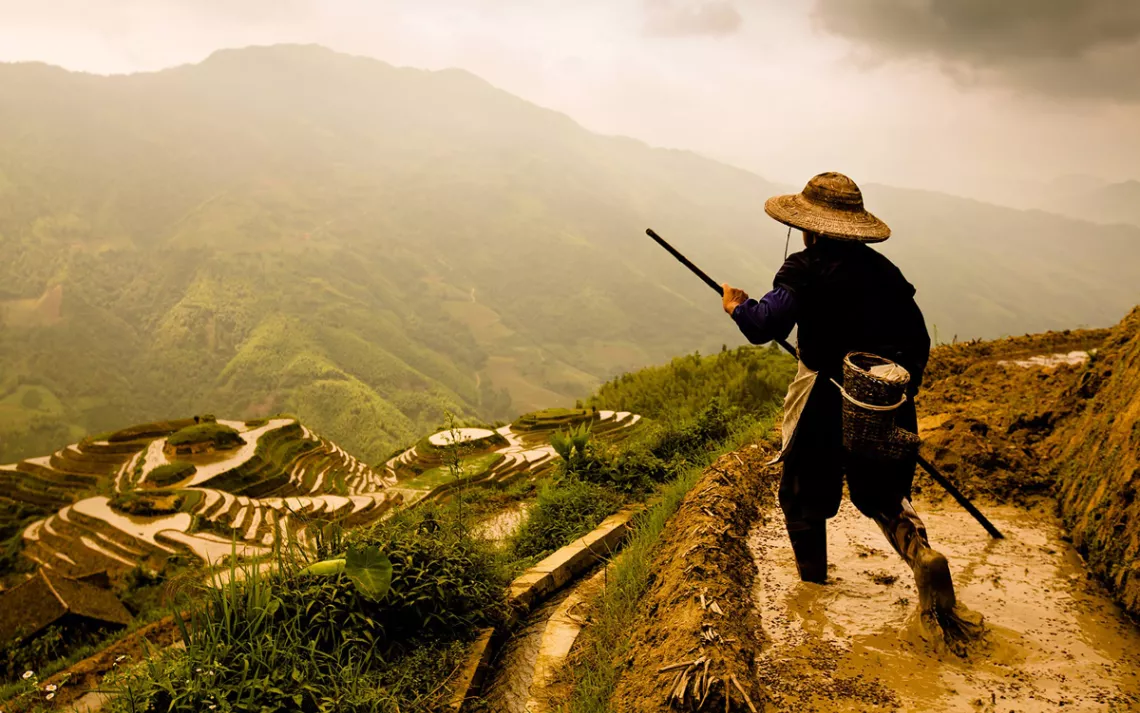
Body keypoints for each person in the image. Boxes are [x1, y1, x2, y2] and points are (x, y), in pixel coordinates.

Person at [722, 171, 980, 645]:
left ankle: (814, 590)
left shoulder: (804, 268)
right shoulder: (887, 274)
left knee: (802, 495)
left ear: (810, 226)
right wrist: (894, 395)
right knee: (883, 494)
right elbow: (918, 342)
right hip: (884, 398)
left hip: (825, 398)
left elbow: (766, 324)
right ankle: (921, 555)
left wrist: (737, 306)